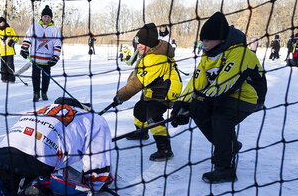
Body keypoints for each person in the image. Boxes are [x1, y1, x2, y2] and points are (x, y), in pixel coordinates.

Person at [169, 12, 265, 183]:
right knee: (200, 113)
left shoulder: (240, 53)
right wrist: (182, 102)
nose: (203, 44)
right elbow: (196, 81)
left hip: (248, 98)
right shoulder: (209, 55)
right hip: (225, 96)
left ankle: (225, 169)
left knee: (220, 118)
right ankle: (229, 145)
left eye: (207, 40)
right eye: (202, 40)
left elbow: (223, 84)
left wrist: (197, 103)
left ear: (221, 39)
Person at [111, 23, 181, 161]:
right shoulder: (148, 54)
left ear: (150, 44)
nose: (139, 46)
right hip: (154, 89)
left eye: (142, 44)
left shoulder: (156, 59)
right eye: (138, 43)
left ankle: (164, 148)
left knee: (153, 114)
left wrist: (121, 95)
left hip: (166, 92)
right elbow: (136, 76)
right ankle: (141, 132)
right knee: (139, 109)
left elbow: (138, 83)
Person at [21, 5, 62, 102]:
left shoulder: (54, 29)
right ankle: (36, 93)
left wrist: (55, 56)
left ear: (51, 18)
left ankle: (44, 92)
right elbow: (28, 38)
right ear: (41, 17)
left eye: (49, 17)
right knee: (35, 77)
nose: (47, 18)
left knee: (46, 78)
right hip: (35, 58)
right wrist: (24, 48)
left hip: (48, 60)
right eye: (45, 16)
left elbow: (57, 44)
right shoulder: (35, 26)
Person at [0, 17, 18, 83]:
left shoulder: (9, 29)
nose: (2, 23)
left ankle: (11, 79)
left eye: (3, 22)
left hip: (9, 51)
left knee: (10, 65)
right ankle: (4, 78)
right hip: (2, 52)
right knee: (3, 66)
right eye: (1, 22)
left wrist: (12, 41)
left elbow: (16, 37)